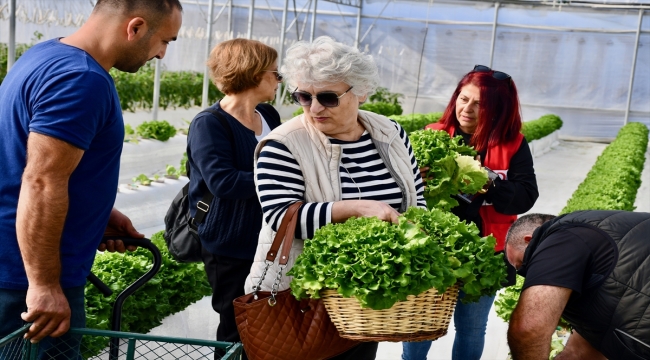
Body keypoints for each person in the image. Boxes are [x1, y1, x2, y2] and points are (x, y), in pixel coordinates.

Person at [0, 0, 182, 357]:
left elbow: (22, 162)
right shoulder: (81, 80)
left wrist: (99, 214)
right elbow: (41, 182)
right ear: (136, 28)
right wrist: (43, 284)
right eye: (165, 41)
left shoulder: (44, 55)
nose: (161, 55)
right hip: (26, 280)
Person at [244, 36, 427, 359]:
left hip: (364, 303)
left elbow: (417, 202)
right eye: (304, 96)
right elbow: (283, 216)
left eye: (328, 97)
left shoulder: (391, 133)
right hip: (303, 302)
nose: (314, 108)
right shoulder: (283, 144)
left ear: (361, 91)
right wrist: (358, 209)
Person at [402, 65, 539, 360]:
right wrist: (415, 179)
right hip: (431, 246)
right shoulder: (432, 135)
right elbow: (398, 192)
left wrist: (486, 179)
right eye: (463, 99)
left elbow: (526, 197)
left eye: (480, 104)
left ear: (498, 109)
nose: (467, 109)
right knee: (419, 323)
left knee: (472, 328)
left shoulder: (512, 144)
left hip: (486, 250)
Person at [186, 38, 283, 359]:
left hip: (270, 239)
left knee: (268, 327)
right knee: (235, 329)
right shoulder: (210, 124)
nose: (278, 79)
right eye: (274, 72)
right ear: (254, 73)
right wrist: (283, 181)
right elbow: (224, 182)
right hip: (230, 243)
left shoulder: (268, 114)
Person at [504, 210, 650, 360]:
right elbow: (579, 352)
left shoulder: (561, 239)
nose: (528, 274)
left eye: (523, 266)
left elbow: (528, 329)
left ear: (529, 240)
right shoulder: (591, 236)